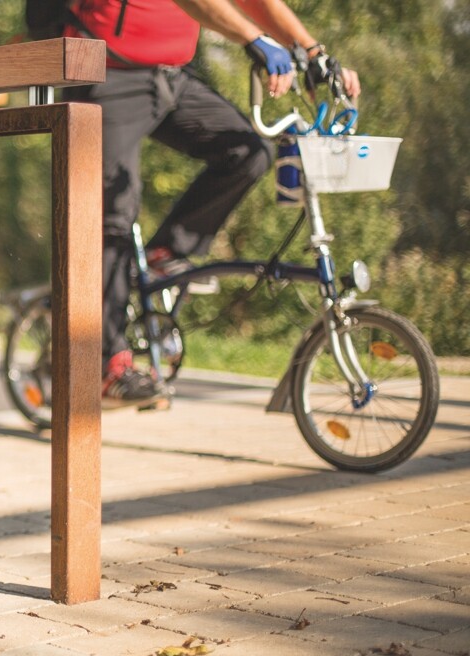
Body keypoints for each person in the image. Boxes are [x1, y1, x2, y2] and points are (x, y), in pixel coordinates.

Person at [59, 0, 360, 408]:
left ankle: (168, 251)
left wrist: (311, 51)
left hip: (169, 76)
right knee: (110, 213)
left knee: (249, 152)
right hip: (105, 70)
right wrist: (253, 38)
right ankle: (107, 367)